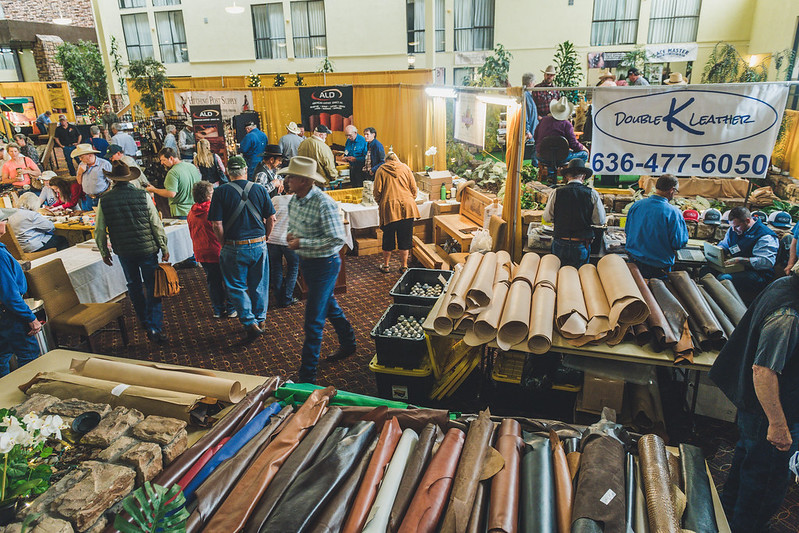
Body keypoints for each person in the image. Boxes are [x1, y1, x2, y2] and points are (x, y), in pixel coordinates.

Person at [708, 269, 799, 533]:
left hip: (758, 411)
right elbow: (763, 371)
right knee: (763, 486)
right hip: (770, 415)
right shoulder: (787, 315)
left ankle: (726, 523)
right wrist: (778, 426)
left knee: (744, 473)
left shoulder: (785, 284)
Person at [280, 156, 356, 383]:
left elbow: (337, 239)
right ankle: (349, 342)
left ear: (304, 181)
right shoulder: (294, 201)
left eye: (291, 176)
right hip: (308, 264)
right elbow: (296, 229)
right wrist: (293, 236)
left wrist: (302, 243)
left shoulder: (325, 203)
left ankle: (307, 376)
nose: (287, 179)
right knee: (328, 306)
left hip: (326, 265)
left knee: (313, 320)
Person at [95, 161, 169, 344]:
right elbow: (155, 224)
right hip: (147, 248)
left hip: (124, 250)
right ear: (130, 179)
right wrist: (164, 246)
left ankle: (144, 320)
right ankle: (154, 326)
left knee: (133, 285)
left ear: (113, 180)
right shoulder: (142, 195)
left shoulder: (105, 200)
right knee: (153, 287)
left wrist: (104, 251)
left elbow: (99, 230)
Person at [208, 156, 275, 341]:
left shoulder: (220, 192)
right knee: (259, 284)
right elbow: (271, 219)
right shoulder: (260, 189)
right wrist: (266, 237)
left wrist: (223, 244)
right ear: (246, 171)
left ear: (228, 173)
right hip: (259, 243)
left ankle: (248, 320)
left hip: (233, 245)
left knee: (235, 286)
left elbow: (216, 224)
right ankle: (260, 320)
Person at [542, 159, 606, 268]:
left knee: (558, 276)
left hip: (560, 242)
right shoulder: (592, 193)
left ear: (567, 176)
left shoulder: (556, 192)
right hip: (581, 244)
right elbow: (600, 221)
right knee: (579, 278)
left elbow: (547, 218)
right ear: (583, 176)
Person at [0, 212, 42, 377]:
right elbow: (9, 295)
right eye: (4, 220)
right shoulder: (0, 255)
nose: (6, 223)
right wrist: (30, 318)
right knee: (29, 356)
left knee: (2, 356)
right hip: (9, 314)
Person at [624, 174, 689, 278]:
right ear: (672, 190)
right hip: (658, 268)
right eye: (676, 191)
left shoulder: (637, 205)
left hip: (633, 263)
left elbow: (627, 230)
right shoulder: (674, 213)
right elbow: (678, 243)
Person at [188, 180, 235, 319]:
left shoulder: (191, 212)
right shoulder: (214, 210)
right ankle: (231, 309)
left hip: (201, 251)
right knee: (229, 279)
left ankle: (218, 310)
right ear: (208, 196)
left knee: (213, 281)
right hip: (218, 249)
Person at [713, 206, 778, 296]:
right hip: (737, 268)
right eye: (731, 226)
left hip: (758, 273)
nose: (733, 230)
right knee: (707, 270)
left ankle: (728, 308)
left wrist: (740, 260)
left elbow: (767, 262)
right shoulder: (733, 230)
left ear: (747, 221)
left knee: (724, 279)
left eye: (737, 226)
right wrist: (718, 251)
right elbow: (725, 244)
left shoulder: (765, 236)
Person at [373, 152, 420, 273]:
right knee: (405, 237)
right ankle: (404, 266)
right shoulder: (405, 168)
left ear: (386, 160)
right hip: (407, 207)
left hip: (389, 208)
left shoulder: (381, 169)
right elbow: (414, 189)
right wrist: (409, 198)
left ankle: (386, 265)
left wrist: (381, 201)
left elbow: (377, 191)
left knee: (388, 238)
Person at [534, 96, 589, 170]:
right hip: (561, 157)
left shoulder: (543, 121)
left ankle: (550, 174)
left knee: (551, 155)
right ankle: (573, 176)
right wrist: (583, 147)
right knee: (584, 154)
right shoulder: (566, 124)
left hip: (542, 155)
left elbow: (535, 136)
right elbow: (574, 144)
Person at [147, 147, 201, 219]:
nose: (162, 163)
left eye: (163, 160)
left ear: (171, 158)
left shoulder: (173, 172)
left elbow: (171, 193)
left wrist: (154, 189)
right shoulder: (192, 167)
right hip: (196, 209)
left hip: (181, 211)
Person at [267, 191, 299, 308]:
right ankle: (287, 298)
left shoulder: (275, 199)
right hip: (289, 240)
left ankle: (278, 296)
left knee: (276, 268)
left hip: (273, 238)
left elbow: (268, 217)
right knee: (293, 267)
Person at [73, 143, 112, 210]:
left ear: (90, 155)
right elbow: (79, 182)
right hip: (88, 198)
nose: (80, 159)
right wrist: (80, 173)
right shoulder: (81, 165)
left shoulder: (104, 164)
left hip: (102, 196)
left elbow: (112, 181)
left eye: (81, 157)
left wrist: (107, 195)